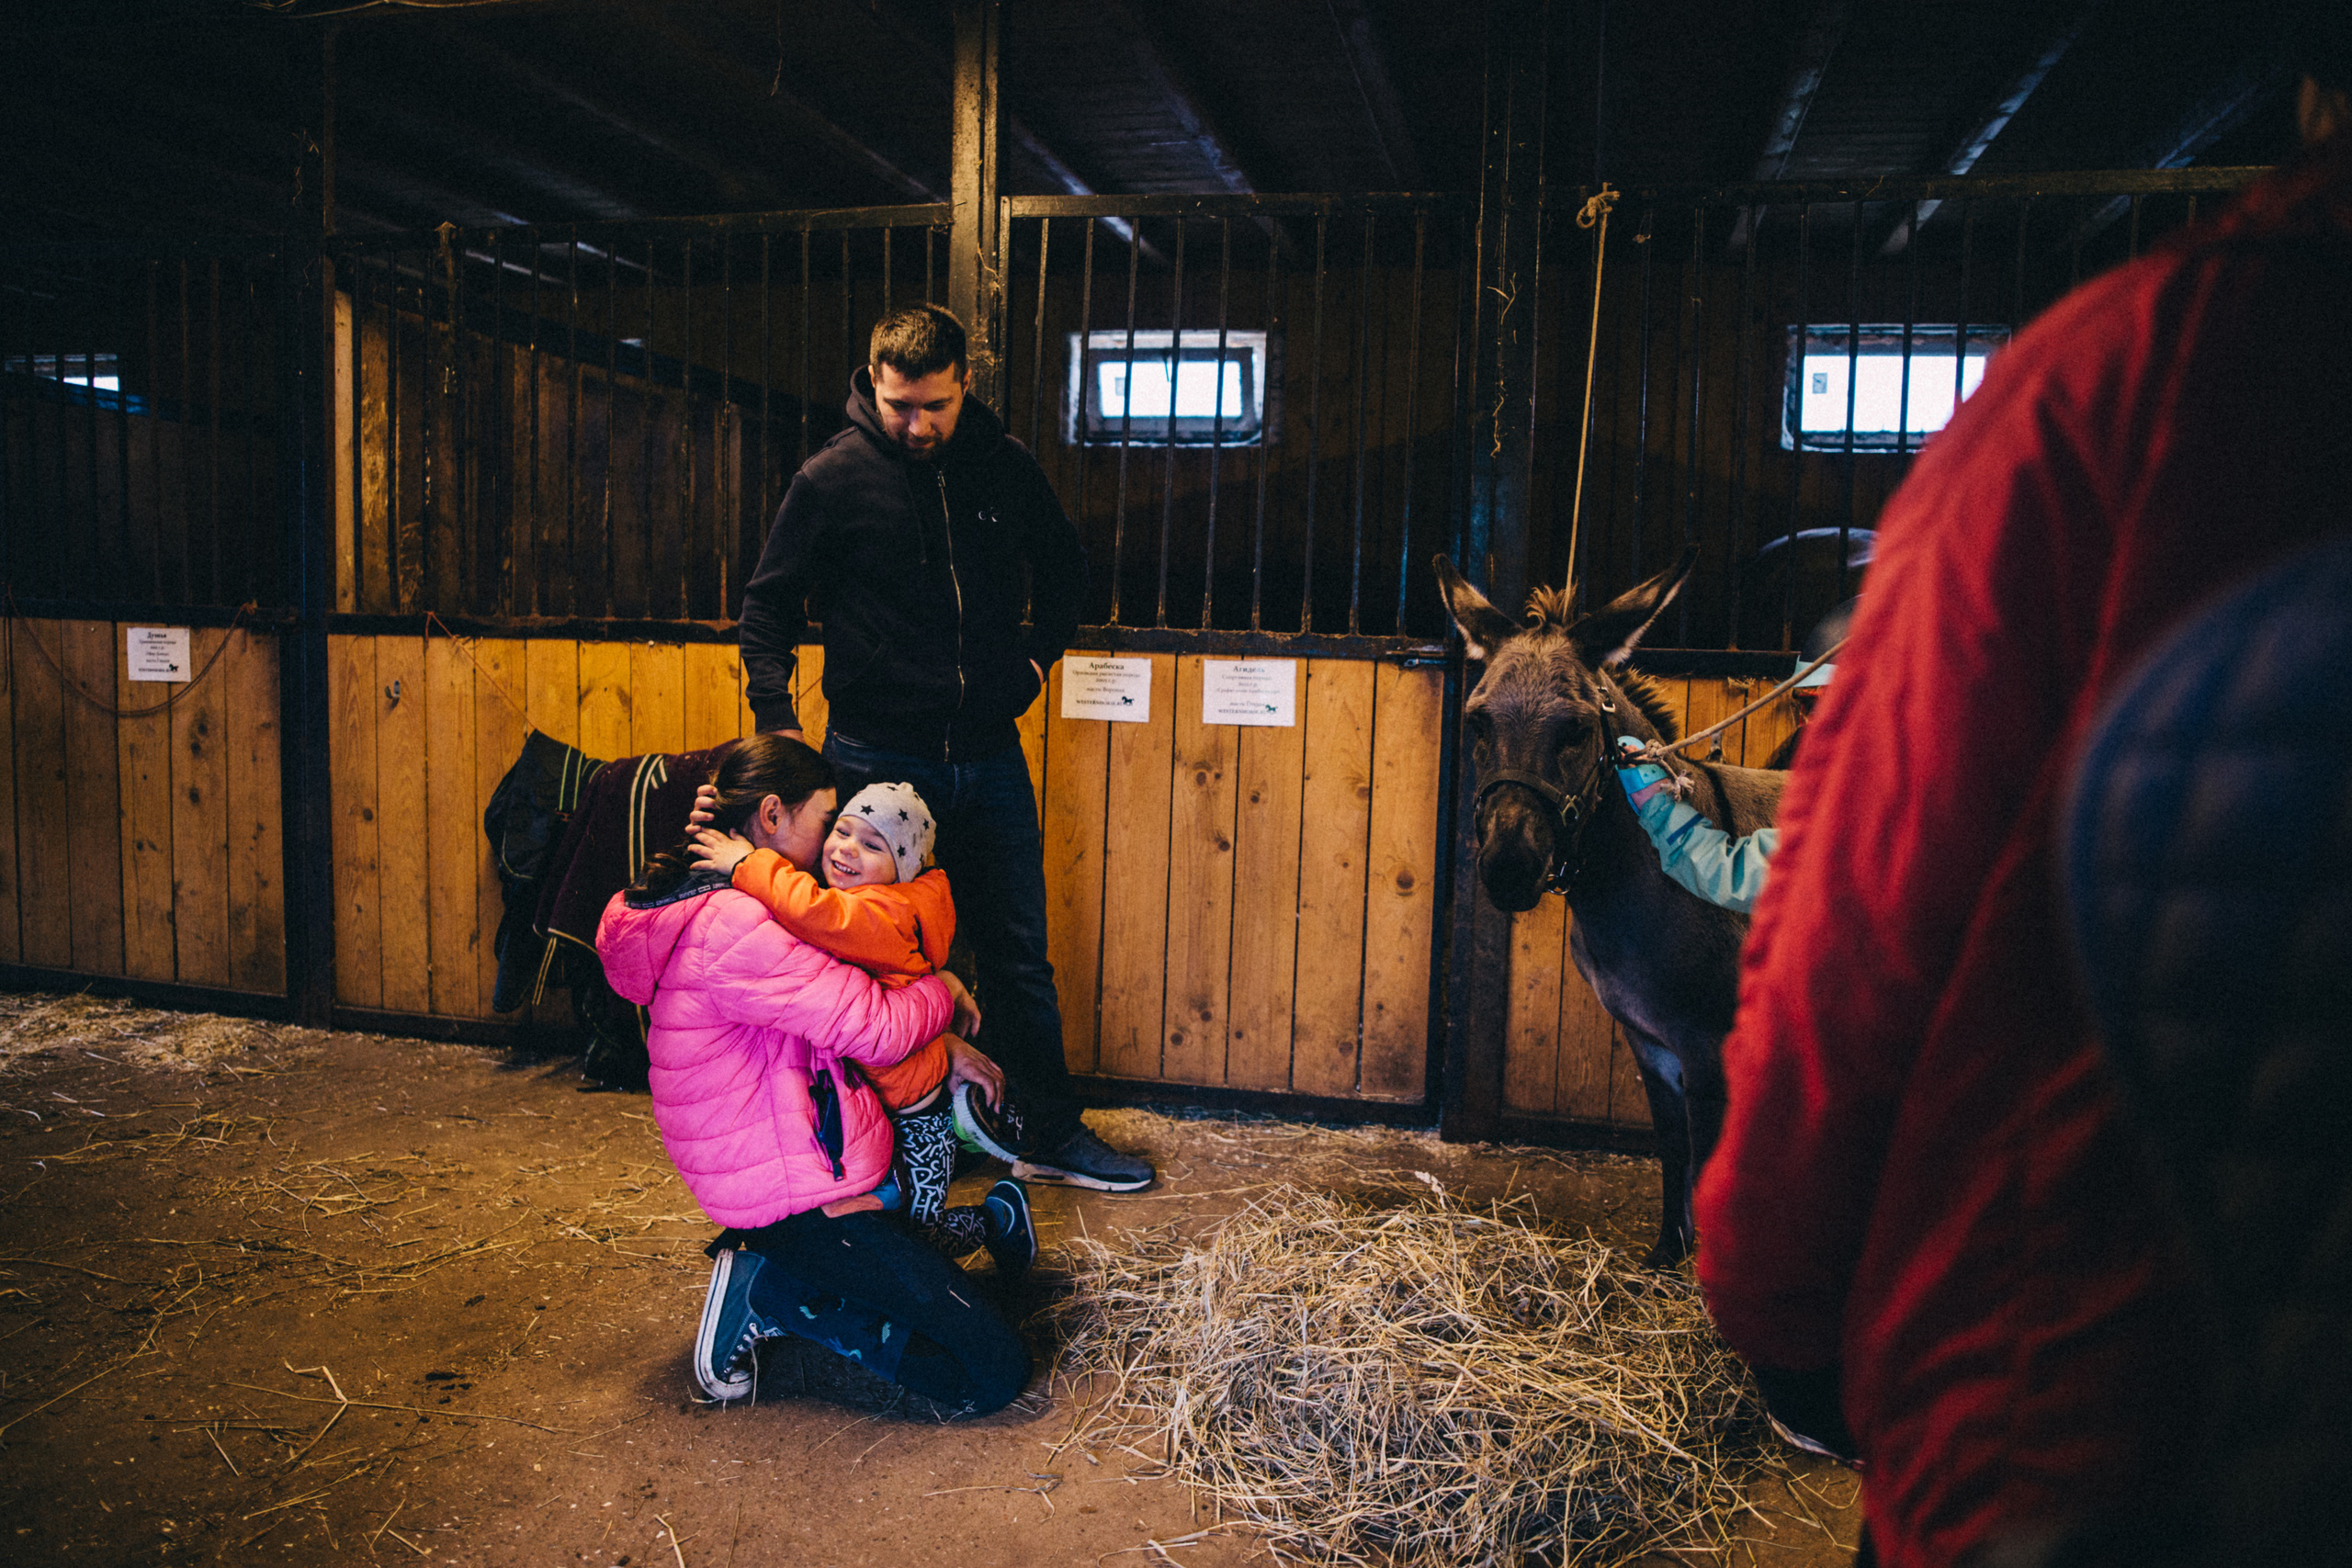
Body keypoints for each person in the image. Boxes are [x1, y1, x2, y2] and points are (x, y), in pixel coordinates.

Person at [1693, 44, 2352, 1568]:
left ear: (2315, 83)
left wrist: (1778, 1305)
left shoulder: (2115, 388)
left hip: (2088, 1431)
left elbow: (1848, 946)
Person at [736, 302, 1153, 1194]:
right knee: (870, 957)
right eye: (898, 406)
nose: (916, 426)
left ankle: (1044, 1127)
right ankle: (864, 1153)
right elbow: (767, 605)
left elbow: (1066, 568)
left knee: (1015, 951)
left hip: (987, 750)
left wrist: (1035, 663)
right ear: (874, 387)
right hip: (877, 755)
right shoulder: (831, 479)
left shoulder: (1003, 470)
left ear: (965, 385)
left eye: (933, 406)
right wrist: (775, 718)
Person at [594, 735, 1031, 1414]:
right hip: (798, 1197)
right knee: (993, 1371)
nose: (833, 843)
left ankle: (800, 1265)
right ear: (772, 816)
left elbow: (854, 999)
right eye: (826, 822)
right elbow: (879, 1026)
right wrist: (944, 987)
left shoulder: (748, 900)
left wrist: (941, 1046)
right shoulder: (737, 926)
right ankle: (775, 1294)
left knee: (942, 1279)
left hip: (813, 1157)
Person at [688, 777, 1038, 1273]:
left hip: (916, 1117)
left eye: (872, 846)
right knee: (890, 1232)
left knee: (917, 1237)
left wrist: (745, 863)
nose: (847, 849)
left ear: (902, 870)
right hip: (883, 1099)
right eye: (842, 831)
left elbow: (814, 911)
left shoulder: (881, 913)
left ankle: (997, 1222)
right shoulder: (885, 900)